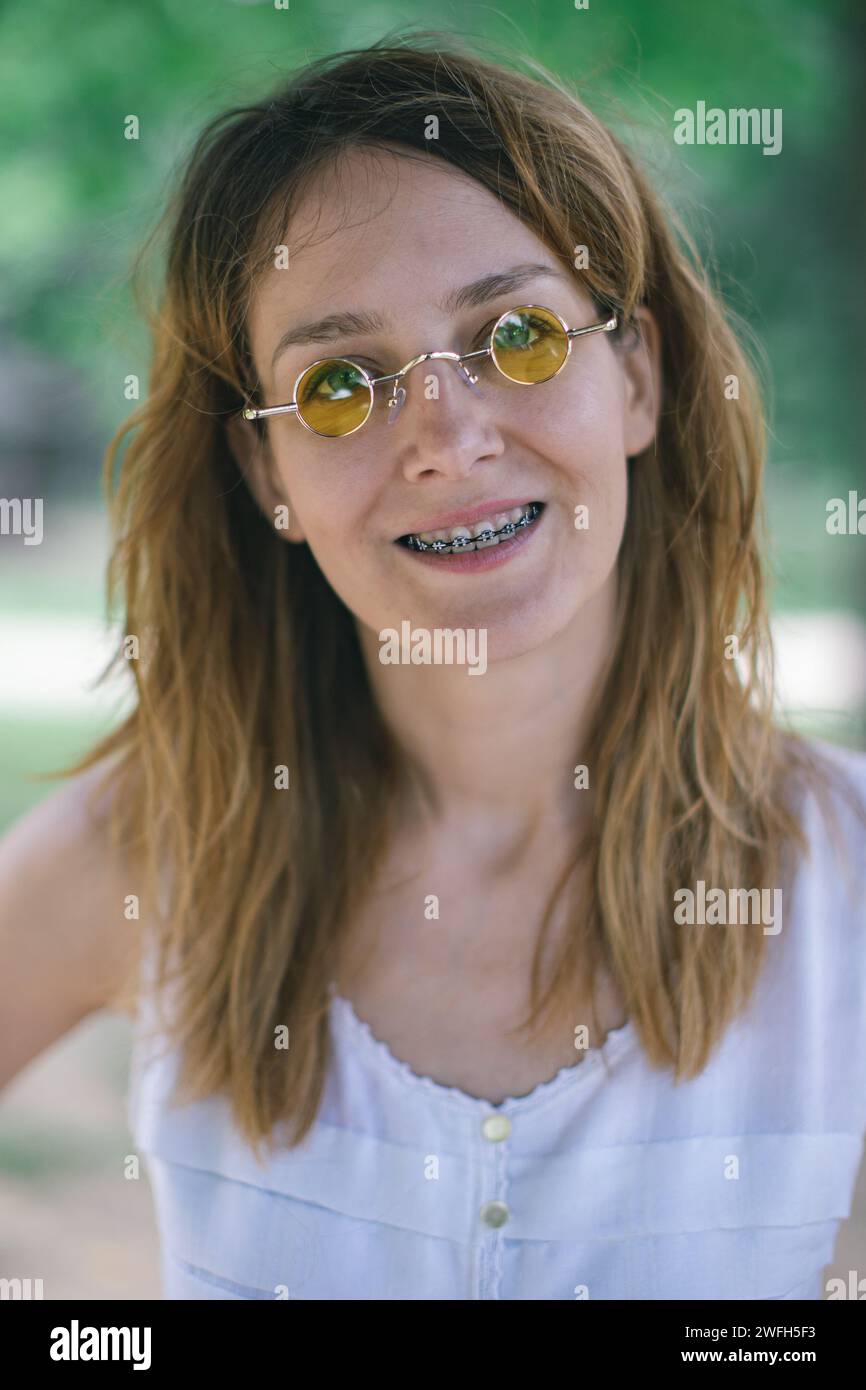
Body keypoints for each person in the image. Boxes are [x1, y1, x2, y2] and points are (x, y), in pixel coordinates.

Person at [2, 31, 865, 1302]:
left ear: (634, 375)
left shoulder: (848, 896)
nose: (448, 437)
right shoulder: (154, 849)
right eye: (342, 385)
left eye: (515, 335)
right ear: (265, 476)